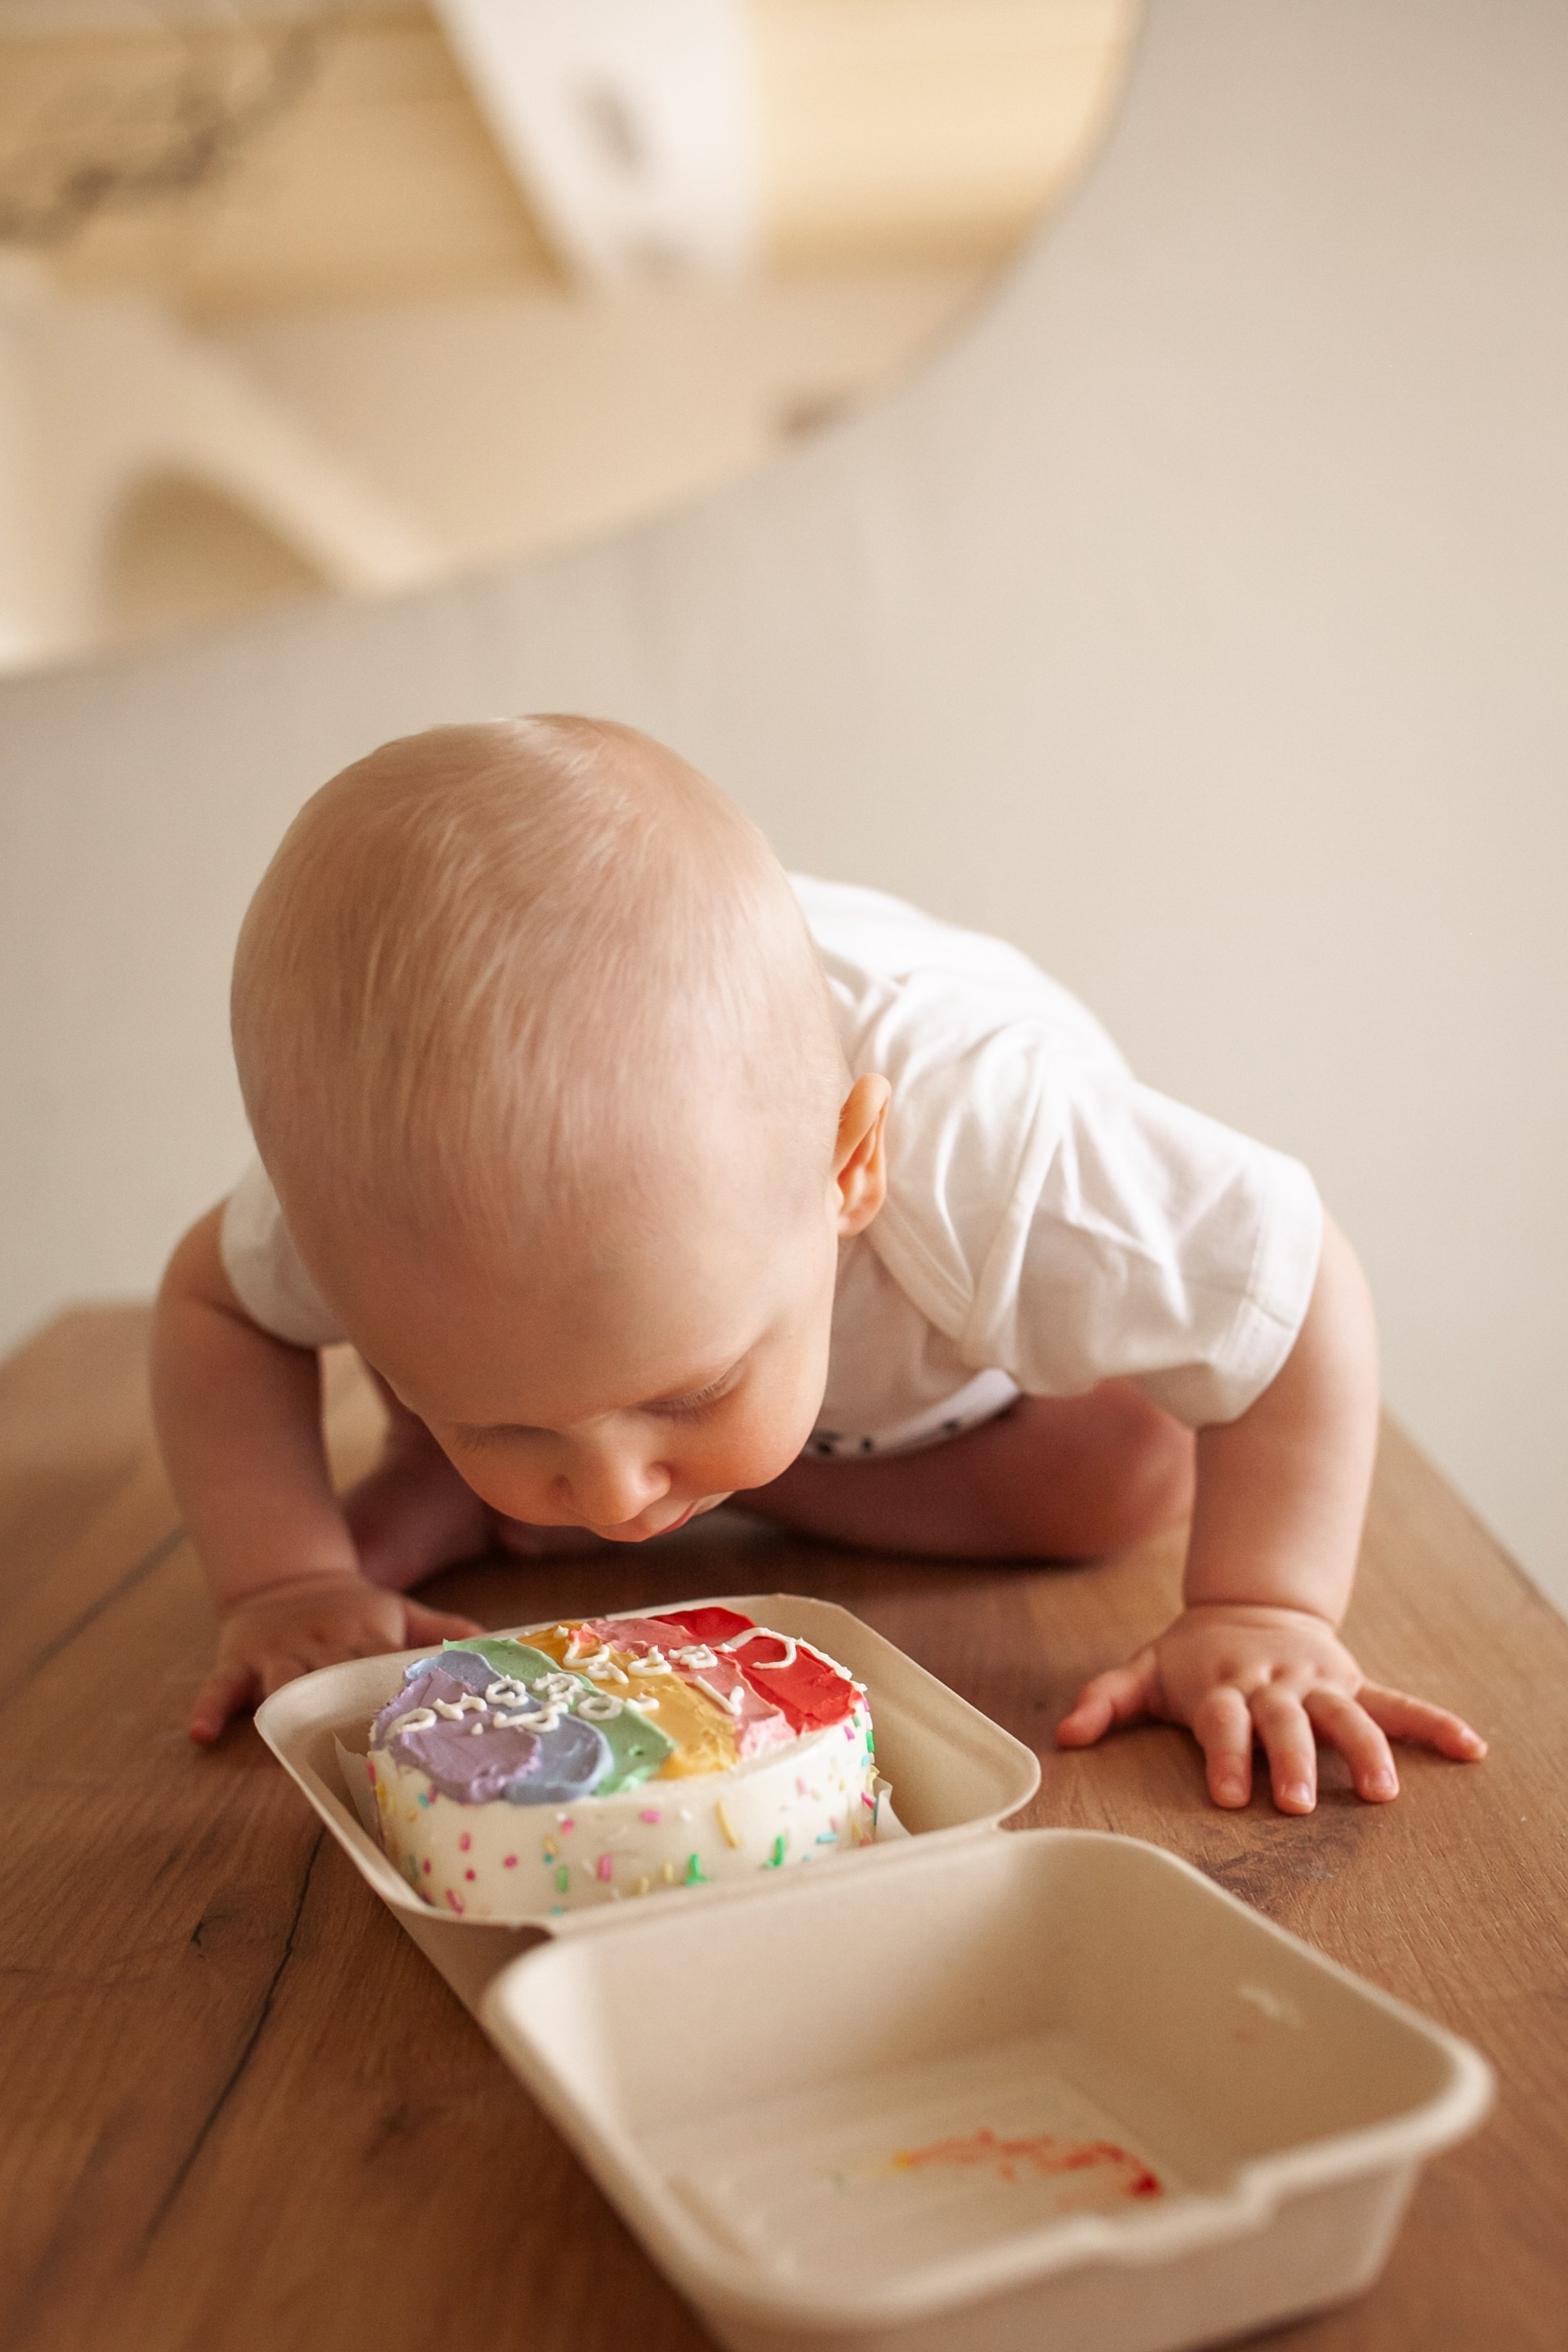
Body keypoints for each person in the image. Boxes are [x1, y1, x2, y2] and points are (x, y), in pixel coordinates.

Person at [152, 715, 1485, 1813]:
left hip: (986, 1395)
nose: (615, 1497)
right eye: (501, 1419)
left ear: (849, 1167)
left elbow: (1293, 1279)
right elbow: (216, 1306)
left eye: (684, 1394)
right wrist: (286, 1579)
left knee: (1129, 1474)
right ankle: (473, 1457)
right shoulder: (376, 1179)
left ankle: (505, 1484)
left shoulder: (1004, 1154)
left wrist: (1264, 1605)